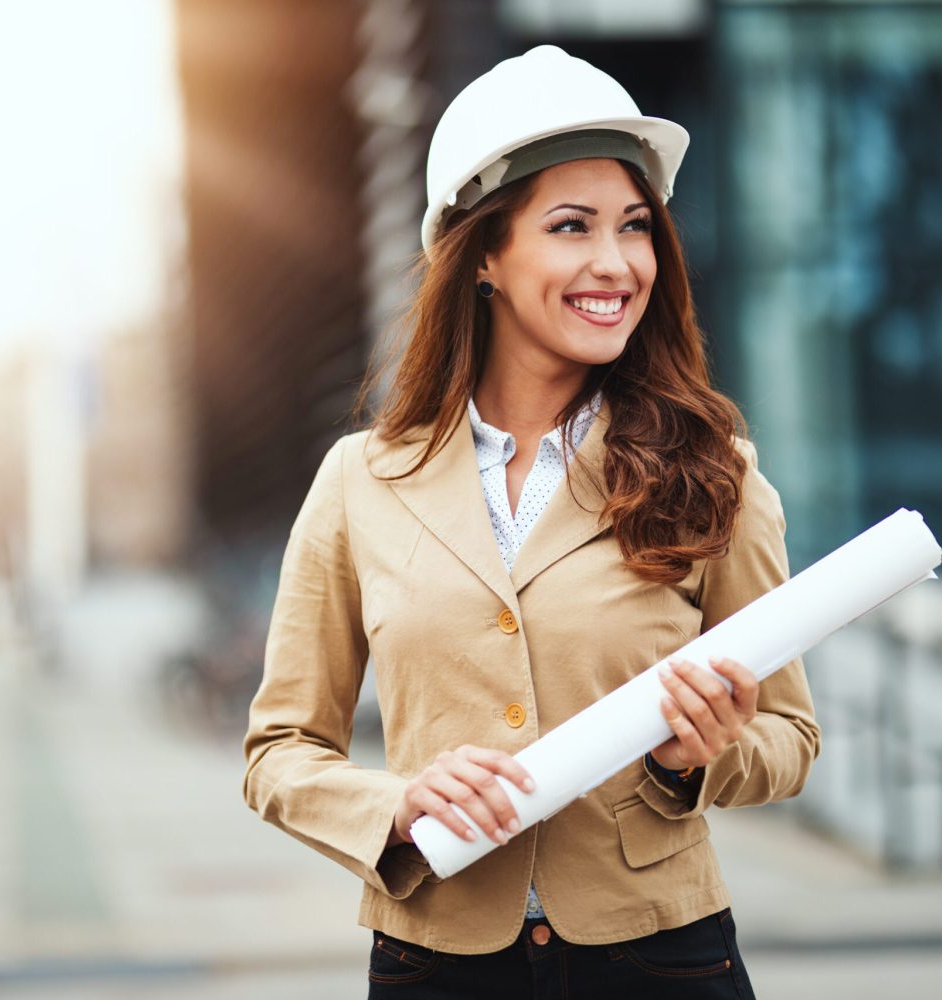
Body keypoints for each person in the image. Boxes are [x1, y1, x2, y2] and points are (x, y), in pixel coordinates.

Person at [243, 45, 820, 999]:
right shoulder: (359, 481)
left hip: (660, 960)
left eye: (635, 227)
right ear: (483, 257)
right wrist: (396, 804)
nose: (616, 262)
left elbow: (791, 738)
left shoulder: (716, 468)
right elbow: (279, 754)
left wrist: (699, 761)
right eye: (570, 226)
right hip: (436, 963)